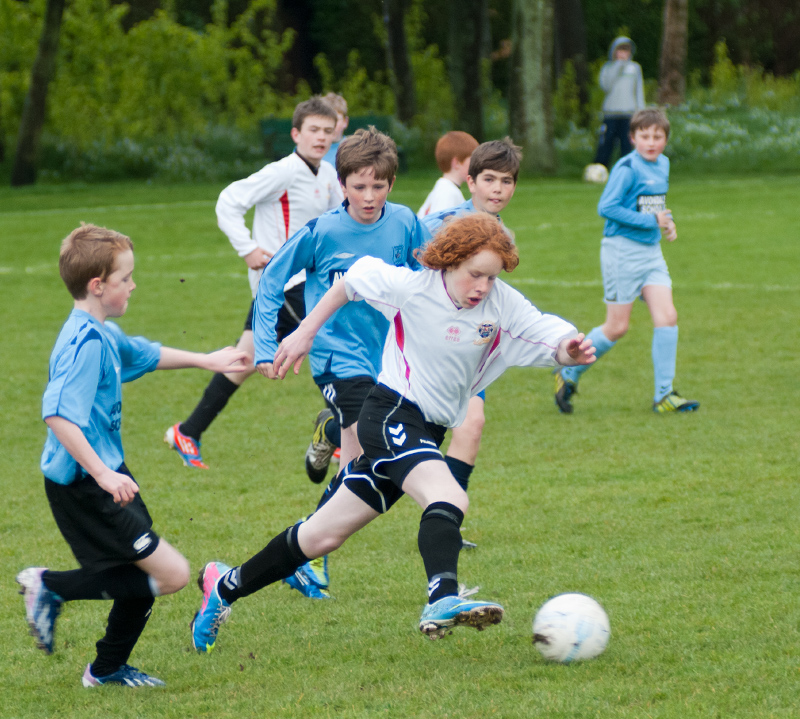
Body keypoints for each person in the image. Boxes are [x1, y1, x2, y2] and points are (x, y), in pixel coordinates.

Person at [189, 213, 595, 652]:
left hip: (429, 428)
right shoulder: (416, 288)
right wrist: (306, 332)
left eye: (491, 277)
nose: (482, 286)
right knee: (450, 496)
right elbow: (353, 280)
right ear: (449, 262)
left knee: (321, 536)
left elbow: (543, 330)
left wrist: (568, 347)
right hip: (391, 414)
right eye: (474, 274)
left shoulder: (500, 304)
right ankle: (442, 598)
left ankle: (224, 586)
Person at [16, 223, 246, 688]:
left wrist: (209, 360)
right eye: (126, 278)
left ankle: (105, 670)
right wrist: (102, 473)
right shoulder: (82, 345)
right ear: (98, 286)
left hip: (104, 474)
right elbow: (58, 416)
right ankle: (49, 586)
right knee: (173, 574)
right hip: (85, 483)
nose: (133, 285)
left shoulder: (100, 332)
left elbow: (144, 353)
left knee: (139, 574)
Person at [251, 126, 428, 598]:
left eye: (379, 186)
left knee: (358, 458)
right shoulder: (324, 230)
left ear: (391, 184)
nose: (369, 197)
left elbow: (431, 277)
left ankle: (326, 434)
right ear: (342, 183)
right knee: (359, 459)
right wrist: (267, 347)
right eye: (359, 186)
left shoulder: (407, 223)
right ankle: (311, 557)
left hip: (387, 358)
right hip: (335, 356)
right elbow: (271, 280)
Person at [164, 96, 342, 469]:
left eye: (328, 130)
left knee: (243, 359)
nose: (321, 137)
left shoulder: (327, 175)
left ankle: (188, 431)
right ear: (296, 133)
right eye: (313, 130)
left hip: (305, 281)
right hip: (280, 282)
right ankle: (339, 432)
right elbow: (229, 201)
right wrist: (247, 248)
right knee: (329, 338)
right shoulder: (282, 171)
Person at [555, 108, 699, 414]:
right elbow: (606, 207)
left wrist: (666, 223)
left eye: (657, 136)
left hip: (651, 254)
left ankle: (664, 395)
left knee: (667, 317)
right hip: (621, 251)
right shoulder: (627, 167)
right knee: (617, 327)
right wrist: (651, 221)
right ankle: (569, 371)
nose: (651, 142)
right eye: (644, 136)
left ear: (665, 139)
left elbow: (653, 206)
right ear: (632, 138)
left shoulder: (664, 165)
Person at [421, 138, 521, 498]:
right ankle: (337, 431)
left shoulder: (502, 233)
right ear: (471, 181)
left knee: (471, 425)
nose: (498, 188)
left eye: (507, 181)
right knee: (386, 447)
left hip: (467, 348)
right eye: (490, 179)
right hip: (423, 347)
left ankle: (446, 517)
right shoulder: (444, 225)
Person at [592, 37, 645, 169]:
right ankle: (600, 169)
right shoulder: (608, 68)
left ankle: (627, 170)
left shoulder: (635, 68)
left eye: (626, 50)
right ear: (614, 52)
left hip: (628, 113)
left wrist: (641, 111)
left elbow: (638, 90)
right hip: (611, 113)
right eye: (620, 50)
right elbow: (605, 86)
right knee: (606, 143)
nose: (623, 53)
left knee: (627, 144)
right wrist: (617, 67)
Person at [417, 131, 479, 217]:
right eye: (472, 160)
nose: (476, 164)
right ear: (456, 163)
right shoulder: (448, 193)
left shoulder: (445, 188)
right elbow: (438, 227)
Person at [322, 92, 349, 167]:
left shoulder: (354, 151)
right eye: (326, 119)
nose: (331, 126)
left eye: (336, 120)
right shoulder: (306, 149)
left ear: (345, 122)